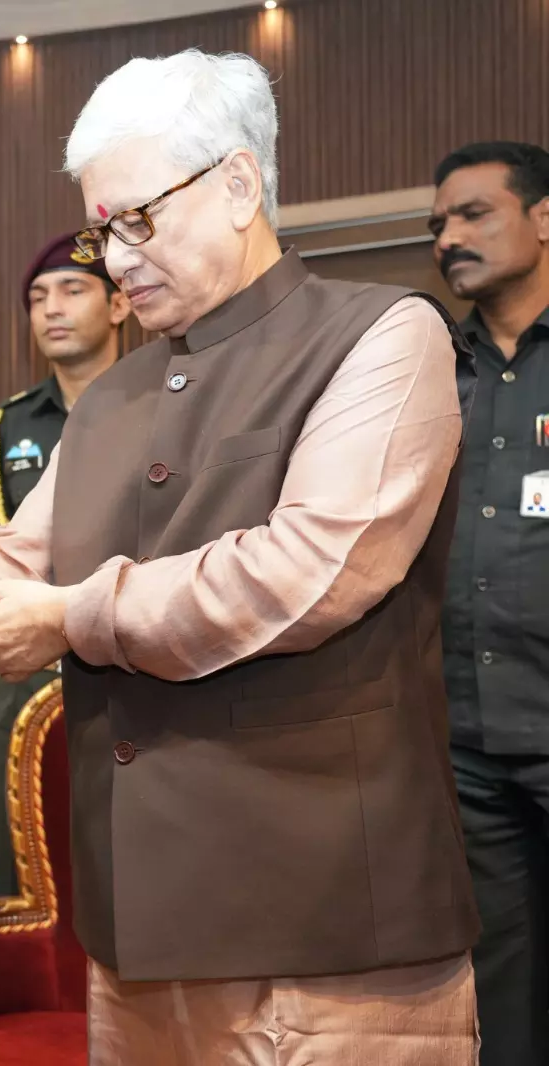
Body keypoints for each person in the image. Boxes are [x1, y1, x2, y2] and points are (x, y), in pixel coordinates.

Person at [0, 50, 479, 1062]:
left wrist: (70, 615)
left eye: (137, 220)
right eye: (101, 232)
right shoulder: (116, 399)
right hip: (136, 928)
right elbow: (10, 562)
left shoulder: (382, 336)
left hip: (326, 925)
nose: (114, 260)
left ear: (237, 184)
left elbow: (310, 570)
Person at [430, 139, 549, 1066]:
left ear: (544, 219)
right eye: (438, 224)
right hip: (463, 740)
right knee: (498, 979)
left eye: (473, 214)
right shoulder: (433, 373)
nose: (448, 237)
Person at [0, 234, 128, 896]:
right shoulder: (9, 426)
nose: (52, 308)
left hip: (135, 651)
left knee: (133, 856)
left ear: (121, 303)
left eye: (73, 289)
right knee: (29, 859)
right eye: (37, 297)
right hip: (35, 663)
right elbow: (6, 549)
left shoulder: (167, 402)